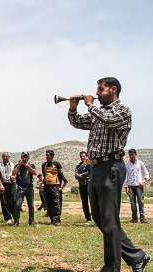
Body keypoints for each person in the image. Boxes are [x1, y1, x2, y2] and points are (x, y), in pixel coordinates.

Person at [68, 77, 150, 271]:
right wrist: (72, 108)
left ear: (113, 89)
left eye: (100, 89)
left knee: (109, 220)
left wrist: (89, 105)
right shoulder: (99, 112)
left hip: (111, 167)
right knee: (101, 218)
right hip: (95, 168)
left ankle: (112, 268)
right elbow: (78, 122)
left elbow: (110, 120)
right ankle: (136, 256)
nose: (96, 93)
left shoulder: (122, 111)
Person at [41, 150, 68, 225]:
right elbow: (44, 175)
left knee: (56, 203)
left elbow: (61, 176)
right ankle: (52, 219)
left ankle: (56, 220)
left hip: (55, 187)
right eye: (46, 155)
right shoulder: (44, 165)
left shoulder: (57, 164)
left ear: (52, 156)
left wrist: (61, 187)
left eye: (48, 155)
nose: (46, 156)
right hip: (46, 187)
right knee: (48, 203)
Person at [124, 149, 150, 224]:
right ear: (129, 156)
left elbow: (146, 173)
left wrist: (144, 181)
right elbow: (125, 176)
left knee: (141, 202)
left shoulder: (140, 163)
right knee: (132, 203)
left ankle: (142, 219)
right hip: (131, 186)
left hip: (139, 186)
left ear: (135, 155)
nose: (132, 156)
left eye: (133, 155)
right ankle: (134, 219)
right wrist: (126, 187)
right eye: (130, 155)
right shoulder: (127, 165)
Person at [12, 152, 38, 226]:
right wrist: (19, 165)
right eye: (23, 156)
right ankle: (16, 221)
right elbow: (13, 173)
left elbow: (35, 173)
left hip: (29, 187)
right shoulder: (18, 165)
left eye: (26, 156)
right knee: (18, 204)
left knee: (31, 205)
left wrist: (28, 167)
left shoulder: (31, 165)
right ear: (21, 157)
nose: (25, 158)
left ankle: (31, 222)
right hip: (20, 187)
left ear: (28, 157)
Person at [0, 152, 16, 224]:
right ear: (2, 157)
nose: (5, 157)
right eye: (4, 156)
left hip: (12, 184)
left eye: (6, 156)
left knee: (13, 200)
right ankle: (7, 218)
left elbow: (15, 173)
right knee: (4, 201)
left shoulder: (13, 164)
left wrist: (14, 177)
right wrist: (0, 185)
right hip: (3, 184)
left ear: (9, 157)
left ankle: (15, 216)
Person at [75, 151, 92, 223]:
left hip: (89, 185)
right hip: (81, 185)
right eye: (81, 156)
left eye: (83, 156)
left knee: (92, 202)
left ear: (86, 156)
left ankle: (95, 216)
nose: (82, 157)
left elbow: (90, 172)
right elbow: (76, 175)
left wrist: (81, 175)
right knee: (84, 202)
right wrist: (83, 176)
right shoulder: (78, 166)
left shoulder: (89, 164)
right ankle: (88, 218)